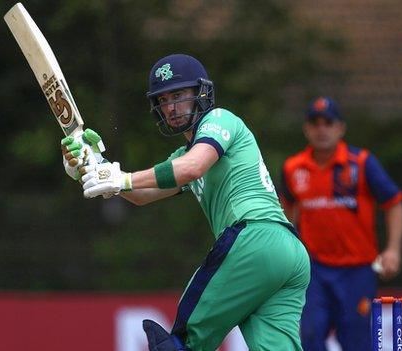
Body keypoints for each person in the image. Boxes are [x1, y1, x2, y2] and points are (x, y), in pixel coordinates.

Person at [61, 54, 310, 351]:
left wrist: (120, 179)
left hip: (255, 238)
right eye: (163, 100)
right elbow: (142, 195)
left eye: (178, 95)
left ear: (201, 93)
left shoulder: (220, 119)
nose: (171, 107)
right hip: (290, 255)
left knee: (180, 344)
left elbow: (193, 167)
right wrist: (95, 167)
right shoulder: (181, 156)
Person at [279, 97, 402, 351]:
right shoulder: (293, 168)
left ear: (340, 128)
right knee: (309, 336)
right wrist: (287, 253)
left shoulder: (360, 163)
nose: (322, 129)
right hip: (313, 270)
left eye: (329, 123)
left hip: (357, 270)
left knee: (356, 342)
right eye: (315, 123)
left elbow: (394, 203)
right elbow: (285, 213)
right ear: (306, 129)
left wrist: (393, 250)